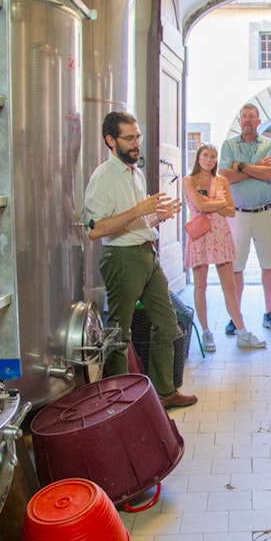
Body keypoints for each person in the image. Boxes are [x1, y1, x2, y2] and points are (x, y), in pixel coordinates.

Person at [84, 111, 197, 409]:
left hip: (148, 254)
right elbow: (95, 229)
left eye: (138, 137)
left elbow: (135, 218)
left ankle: (164, 391)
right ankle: (122, 401)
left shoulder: (134, 172)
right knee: (120, 332)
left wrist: (156, 217)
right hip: (122, 257)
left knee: (168, 324)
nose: (137, 144)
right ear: (111, 140)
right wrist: (139, 211)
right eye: (129, 138)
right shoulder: (103, 176)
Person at [182, 144, 266, 351]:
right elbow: (200, 207)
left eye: (213, 156)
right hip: (200, 235)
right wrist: (218, 203)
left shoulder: (221, 180)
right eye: (205, 155)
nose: (209, 160)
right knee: (200, 286)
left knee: (229, 287)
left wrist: (211, 203)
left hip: (220, 235)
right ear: (198, 158)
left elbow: (230, 211)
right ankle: (206, 331)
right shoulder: (188, 180)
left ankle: (242, 332)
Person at [219, 103, 271, 337]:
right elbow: (225, 176)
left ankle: (269, 313)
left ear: (258, 121)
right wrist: (255, 168)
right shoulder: (228, 145)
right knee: (236, 267)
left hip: (264, 213)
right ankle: (235, 316)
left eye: (252, 116)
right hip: (237, 215)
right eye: (244, 116)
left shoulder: (269, 144)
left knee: (269, 265)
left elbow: (269, 173)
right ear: (239, 121)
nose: (247, 120)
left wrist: (241, 167)